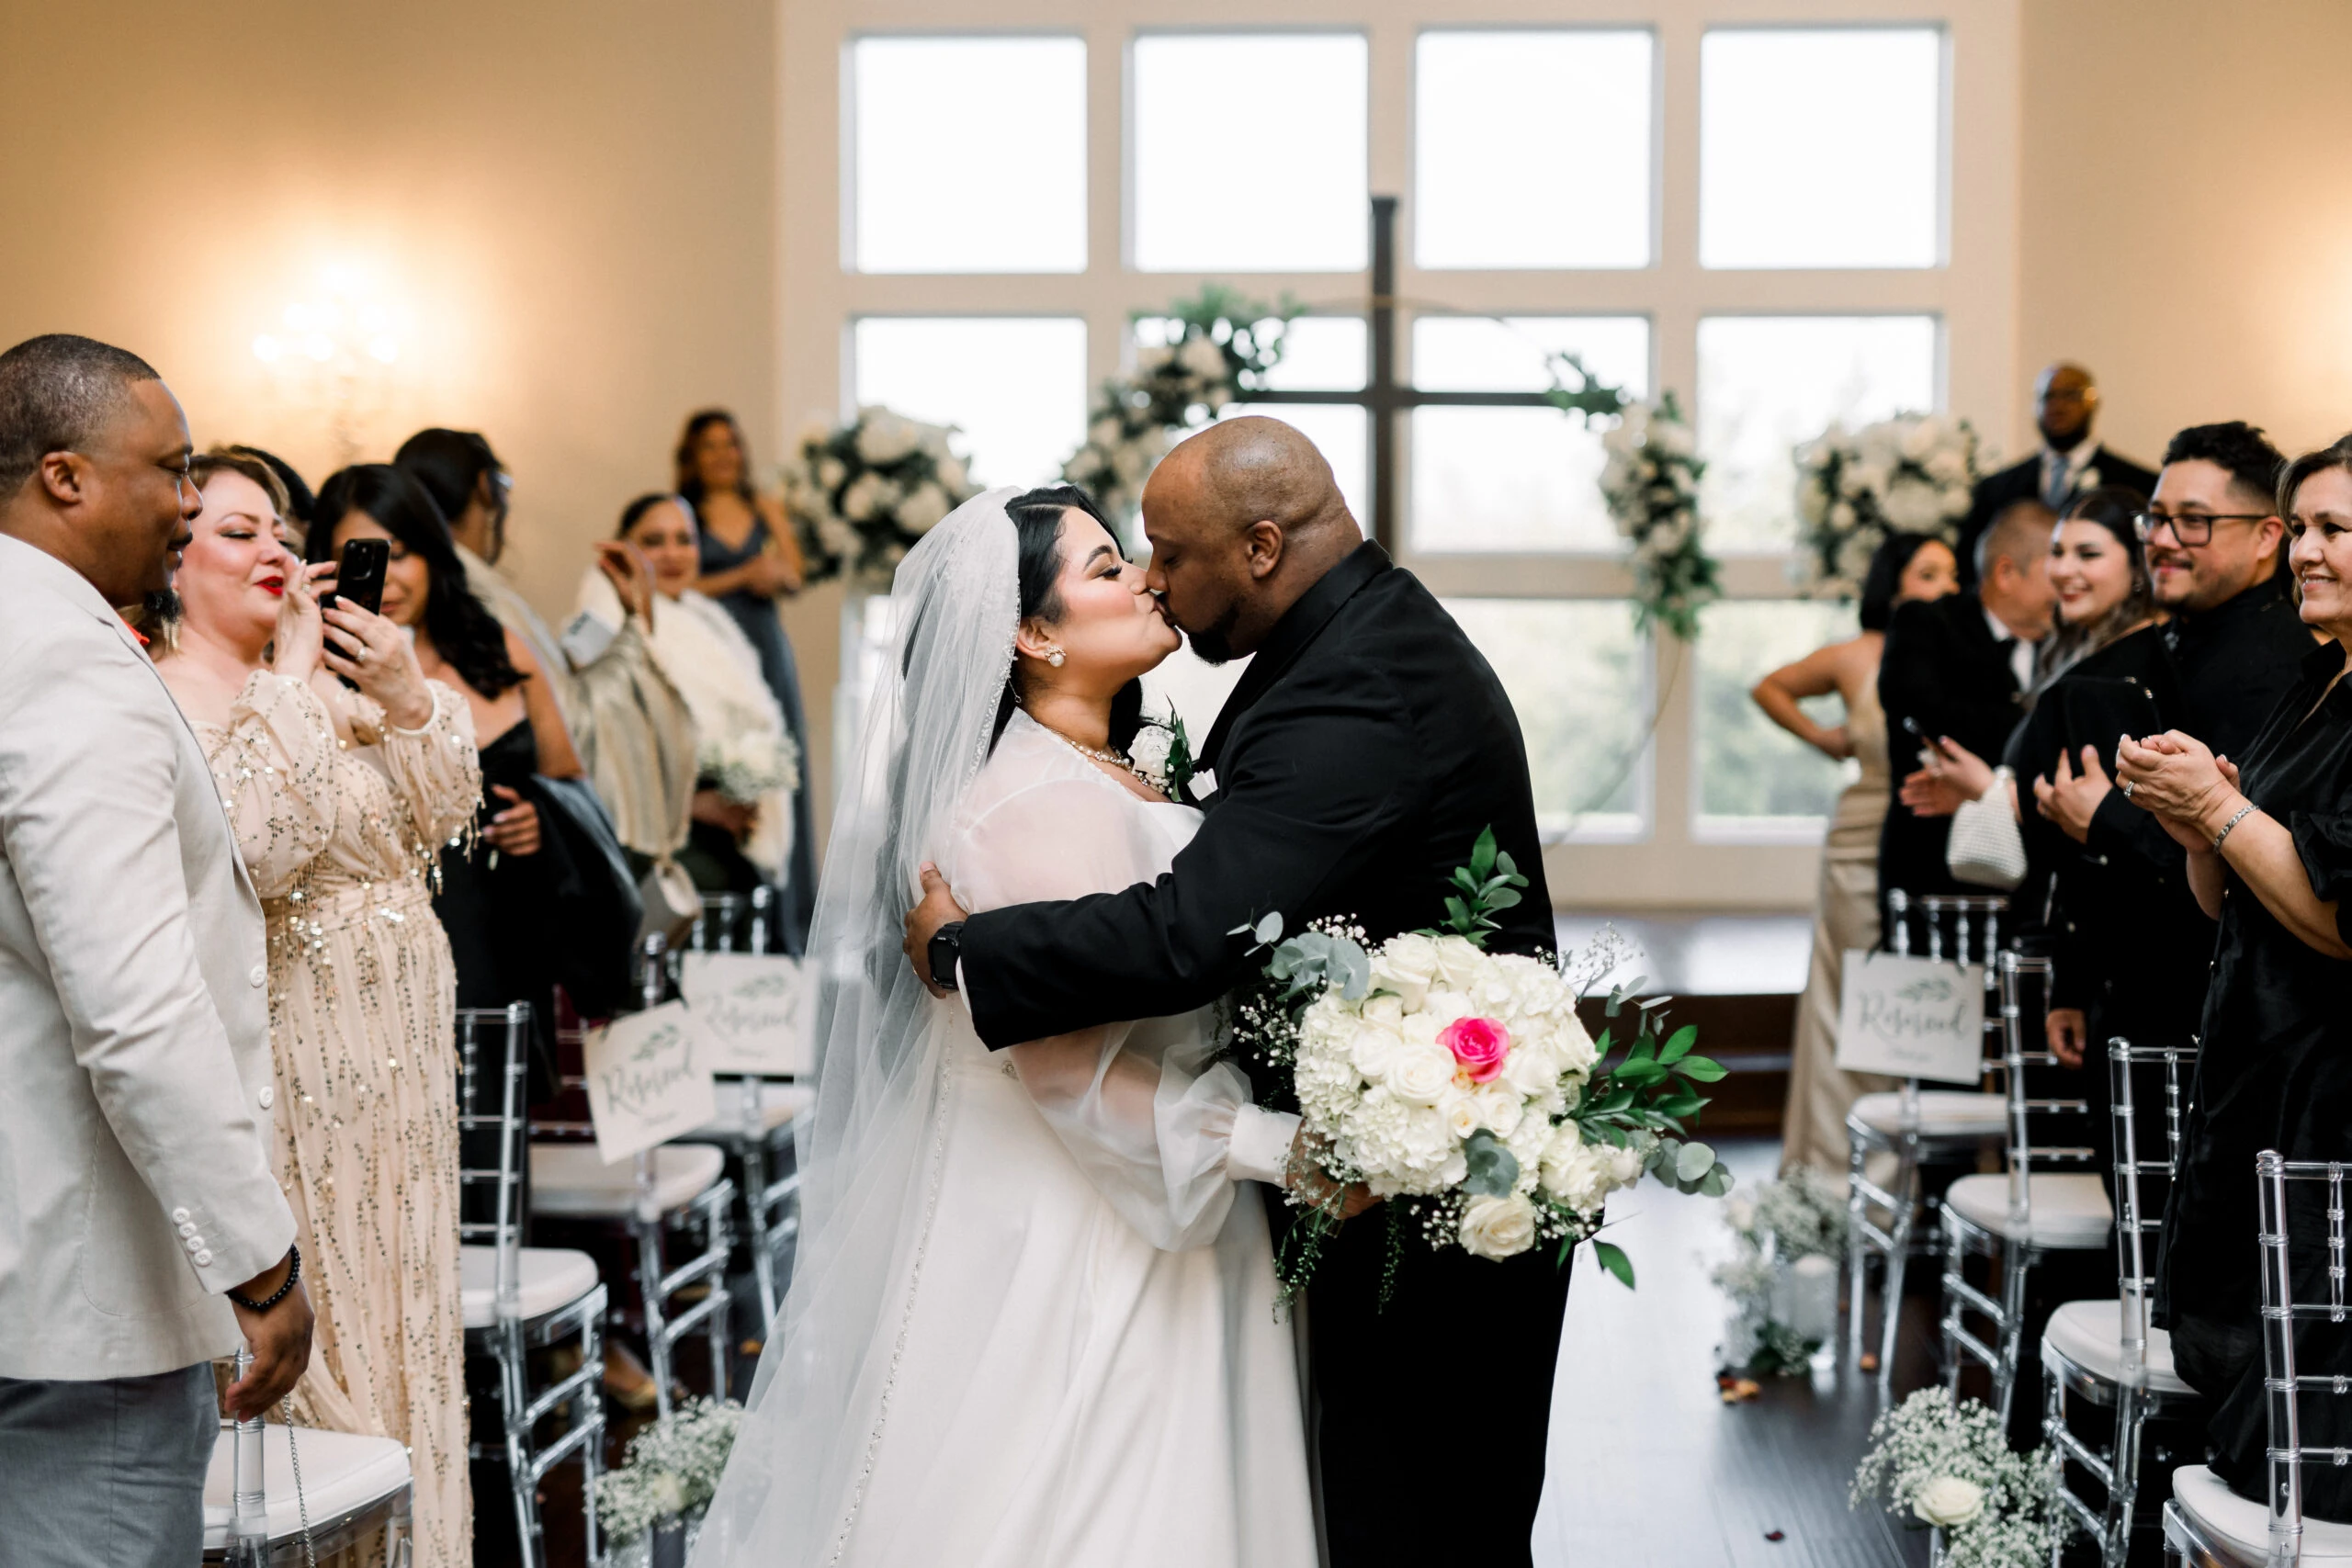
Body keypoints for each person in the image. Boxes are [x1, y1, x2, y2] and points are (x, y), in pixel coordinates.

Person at [900, 418, 1565, 1568]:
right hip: (1258, 1195)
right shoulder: (1344, 645)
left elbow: (1188, 934)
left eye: (1162, 552)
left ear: (1260, 547)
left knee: (1420, 1521)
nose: (1157, 581)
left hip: (1426, 1210)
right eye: (1118, 562)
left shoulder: (1357, 681)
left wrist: (966, 956)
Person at [693, 485, 1316, 1567]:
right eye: (1106, 568)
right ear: (1031, 634)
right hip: (1088, 1206)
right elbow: (1070, 1072)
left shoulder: (1112, 767)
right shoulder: (1014, 805)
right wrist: (1271, 1147)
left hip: (1153, 1189)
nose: (1144, 581)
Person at [0, 334, 311, 1566]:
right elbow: (135, 1004)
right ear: (65, 477)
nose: (190, 499)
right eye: (170, 467)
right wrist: (259, 1264)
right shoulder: (69, 663)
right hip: (85, 1296)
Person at [156, 453, 483, 1566]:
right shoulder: (168, 697)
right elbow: (257, 849)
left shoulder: (330, 690)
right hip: (297, 1079)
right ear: (174, 554)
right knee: (333, 1347)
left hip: (402, 1087)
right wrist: (293, 678)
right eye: (240, 532)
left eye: (281, 532)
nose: (278, 553)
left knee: (409, 1335)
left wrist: (399, 694)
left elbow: (444, 817)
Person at [2120, 435, 2352, 1518]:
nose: (2306, 551)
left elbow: (2339, 917)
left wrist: (2222, 811)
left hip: (2330, 1092)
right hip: (2247, 1077)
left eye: (2333, 532)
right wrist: (2201, 823)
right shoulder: (2316, 678)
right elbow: (2233, 902)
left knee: (2295, 1438)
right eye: (2300, 528)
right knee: (2226, 1365)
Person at [1899, 489, 2193, 1181]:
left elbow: (2088, 815)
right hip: (2072, 941)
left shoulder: (2134, 674)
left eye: (2089, 553)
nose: (2064, 569)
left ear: (2142, 565)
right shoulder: (2076, 654)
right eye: (2058, 551)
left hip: (2131, 955)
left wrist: (1990, 789)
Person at [397, 427, 698, 878]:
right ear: (485, 487)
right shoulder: (474, 594)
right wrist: (636, 627)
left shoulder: (444, 587)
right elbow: (571, 719)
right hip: (511, 837)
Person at [1757, 534, 1959, 1174]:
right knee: (1852, 991)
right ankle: (1835, 1165)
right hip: (1861, 833)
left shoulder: (1962, 648)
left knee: (1916, 991)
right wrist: (1825, 739)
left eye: (1953, 575)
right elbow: (1770, 686)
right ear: (1892, 585)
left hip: (1936, 832)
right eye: (1929, 574)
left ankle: (1912, 1167)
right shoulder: (1856, 656)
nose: (1946, 588)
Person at [580, 493, 797, 895]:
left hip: (731, 836)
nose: (673, 554)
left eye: (685, 539)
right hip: (661, 840)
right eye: (654, 540)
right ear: (624, 548)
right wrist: (695, 806)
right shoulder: (603, 616)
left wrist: (748, 783)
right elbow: (596, 741)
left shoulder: (705, 615)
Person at [1876, 501, 2058, 921]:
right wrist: (2041, 733)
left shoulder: (2074, 641)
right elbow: (1927, 714)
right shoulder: (1928, 624)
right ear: (2007, 572)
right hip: (1935, 871)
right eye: (2057, 563)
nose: (2070, 578)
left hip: (2040, 881)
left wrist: (1984, 779)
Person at [677, 410, 816, 946]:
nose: (722, 455)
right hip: (711, 650)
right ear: (692, 457)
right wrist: (744, 575)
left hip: (765, 647)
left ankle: (786, 927)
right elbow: (681, 584)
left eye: (730, 444)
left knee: (778, 774)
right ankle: (728, 921)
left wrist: (777, 574)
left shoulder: (765, 506)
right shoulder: (685, 512)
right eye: (709, 446)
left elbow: (795, 572)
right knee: (724, 772)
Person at [1957, 363, 2155, 588]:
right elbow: (1970, 567)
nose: (2057, 405)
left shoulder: (2138, 484)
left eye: (2070, 395)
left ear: (2094, 403)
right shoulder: (1996, 488)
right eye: (2047, 397)